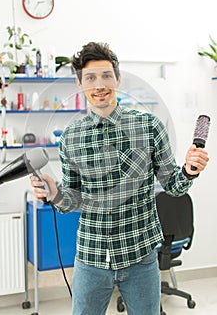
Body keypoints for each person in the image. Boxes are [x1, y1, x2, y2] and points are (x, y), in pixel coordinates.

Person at [30, 42, 209, 315]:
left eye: (106, 75)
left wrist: (188, 170)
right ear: (80, 83)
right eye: (90, 77)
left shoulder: (148, 125)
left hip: (140, 257)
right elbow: (73, 198)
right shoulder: (71, 136)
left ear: (118, 78)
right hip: (91, 258)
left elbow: (173, 185)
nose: (99, 84)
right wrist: (55, 193)